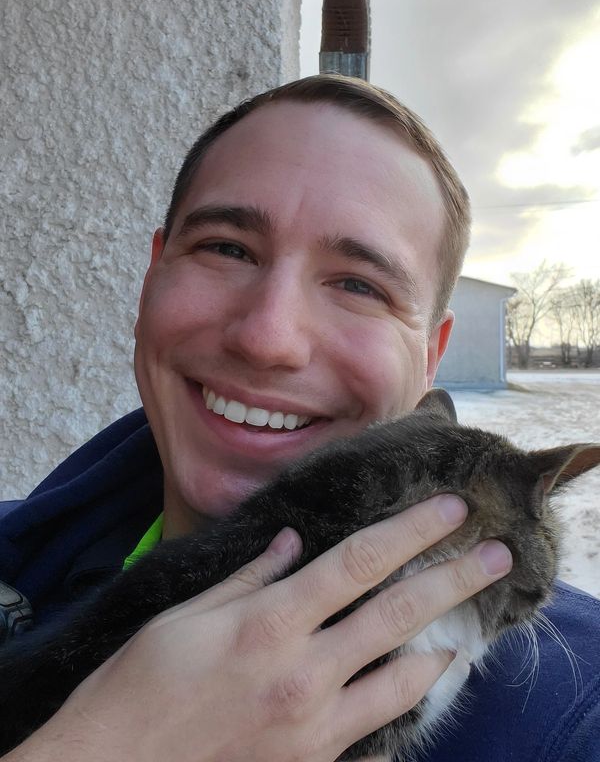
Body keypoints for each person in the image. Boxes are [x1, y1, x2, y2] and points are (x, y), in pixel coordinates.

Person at [0, 75, 598, 762]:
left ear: (431, 356)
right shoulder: (18, 557)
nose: (267, 338)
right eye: (227, 248)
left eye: (358, 285)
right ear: (151, 282)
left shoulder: (575, 712)